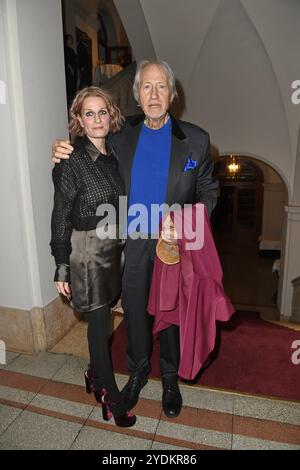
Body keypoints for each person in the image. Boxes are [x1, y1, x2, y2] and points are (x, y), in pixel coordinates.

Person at [51, 59, 218, 419]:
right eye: (146, 87)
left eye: (161, 87)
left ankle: (170, 377)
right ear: (136, 95)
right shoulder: (119, 133)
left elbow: (208, 190)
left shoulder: (197, 140)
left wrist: (186, 220)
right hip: (131, 240)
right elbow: (87, 143)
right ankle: (139, 371)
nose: (154, 94)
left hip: (173, 242)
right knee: (137, 312)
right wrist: (61, 148)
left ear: (172, 94)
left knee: (170, 312)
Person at [50, 86, 136, 427]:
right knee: (101, 328)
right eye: (89, 113)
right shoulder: (71, 160)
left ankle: (92, 373)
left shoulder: (117, 153)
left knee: (102, 326)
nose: (97, 119)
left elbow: (140, 123)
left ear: (111, 115)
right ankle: (111, 398)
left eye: (103, 112)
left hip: (115, 250)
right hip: (87, 252)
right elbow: (60, 215)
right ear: (79, 121)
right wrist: (61, 265)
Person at [64, 35, 78, 107]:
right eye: (70, 39)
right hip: (70, 72)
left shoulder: (71, 49)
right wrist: (71, 69)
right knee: (70, 86)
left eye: (72, 39)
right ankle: (69, 103)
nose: (71, 40)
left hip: (73, 70)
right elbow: (67, 61)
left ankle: (72, 102)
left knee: (73, 87)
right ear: (66, 40)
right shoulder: (65, 50)